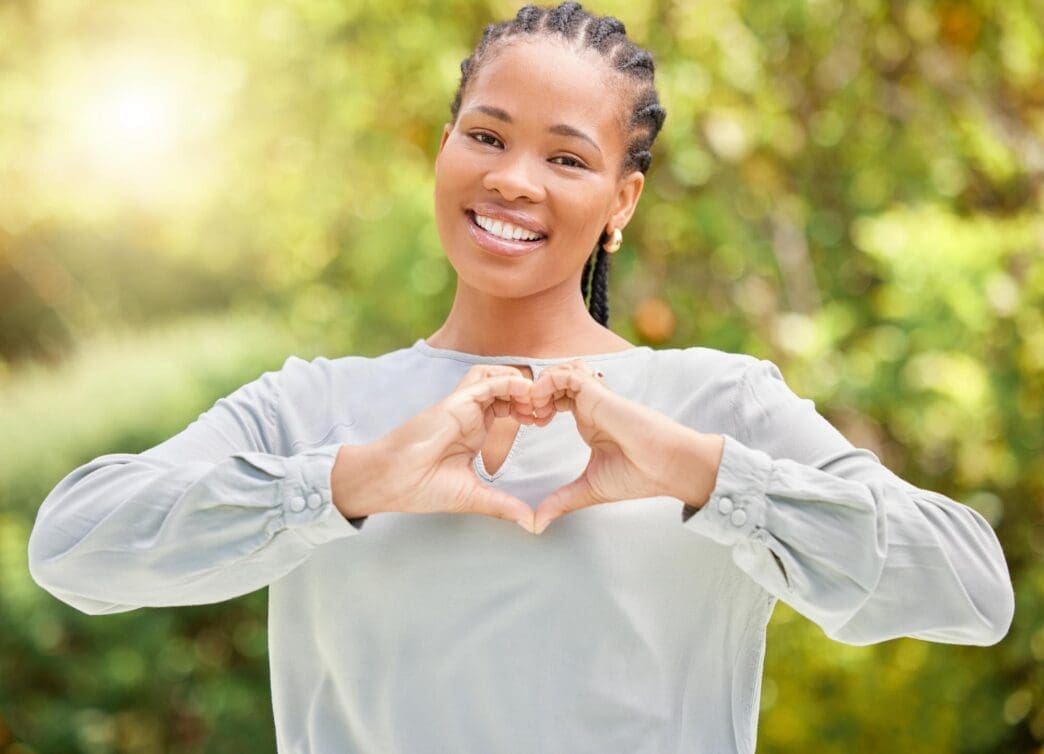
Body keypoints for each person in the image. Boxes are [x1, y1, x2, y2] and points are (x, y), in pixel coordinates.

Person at [27, 3, 1015, 753]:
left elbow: (971, 587)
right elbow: (75, 545)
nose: (513, 179)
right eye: (487, 135)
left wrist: (706, 475)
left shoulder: (720, 405)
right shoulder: (312, 409)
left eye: (567, 157)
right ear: (446, 145)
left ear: (622, 200)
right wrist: (351, 482)